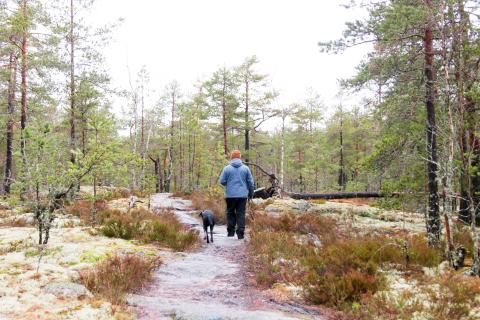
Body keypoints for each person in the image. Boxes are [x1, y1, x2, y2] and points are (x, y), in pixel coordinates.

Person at [219, 150, 254, 239]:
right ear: (239, 157)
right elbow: (250, 183)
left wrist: (229, 184)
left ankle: (231, 232)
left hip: (230, 195)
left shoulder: (226, 168)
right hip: (242, 196)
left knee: (230, 212)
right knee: (241, 213)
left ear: (232, 157)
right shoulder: (246, 168)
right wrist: (251, 193)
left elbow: (222, 181)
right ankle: (240, 233)